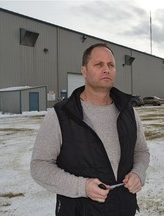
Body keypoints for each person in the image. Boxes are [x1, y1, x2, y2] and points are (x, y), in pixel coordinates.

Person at [30, 43, 150, 216]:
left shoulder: (128, 112)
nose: (106, 69)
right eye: (99, 64)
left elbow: (141, 151)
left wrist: (138, 173)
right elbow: (39, 166)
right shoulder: (61, 115)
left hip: (124, 209)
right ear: (84, 71)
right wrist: (82, 187)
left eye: (111, 65)